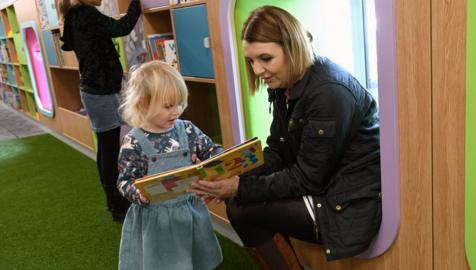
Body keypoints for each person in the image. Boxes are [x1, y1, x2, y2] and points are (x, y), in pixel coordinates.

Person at [188, 5, 382, 270]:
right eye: (251, 61)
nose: (257, 70)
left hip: (347, 201)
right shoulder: (287, 83)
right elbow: (278, 151)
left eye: (265, 58)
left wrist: (239, 187)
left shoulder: (329, 93)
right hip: (325, 185)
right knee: (240, 202)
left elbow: (307, 178)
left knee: (242, 208)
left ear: (292, 47)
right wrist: (235, 175)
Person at [116, 61, 223, 270]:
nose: (176, 111)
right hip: (156, 221)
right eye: (167, 106)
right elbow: (124, 181)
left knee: (197, 258)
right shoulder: (134, 141)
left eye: (180, 103)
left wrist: (220, 160)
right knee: (163, 263)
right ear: (142, 105)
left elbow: (211, 150)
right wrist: (138, 194)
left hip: (189, 212)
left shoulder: (188, 130)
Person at [58, 0, 141, 221]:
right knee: (109, 147)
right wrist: (136, 4)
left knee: (107, 146)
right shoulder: (84, 13)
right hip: (99, 92)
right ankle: (118, 205)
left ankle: (113, 202)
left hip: (97, 90)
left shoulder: (76, 15)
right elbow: (121, 28)